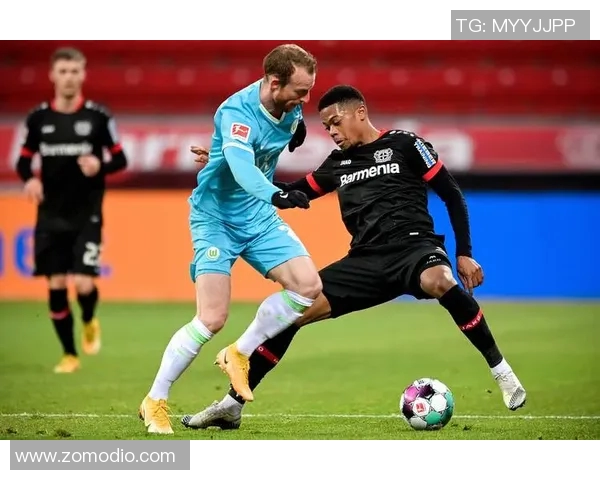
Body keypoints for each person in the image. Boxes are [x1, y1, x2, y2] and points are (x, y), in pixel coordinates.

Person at [181, 84, 527, 431]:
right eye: (326, 126)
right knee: (292, 314)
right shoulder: (337, 163)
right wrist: (232, 165)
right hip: (365, 260)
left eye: (335, 122)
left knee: (439, 280)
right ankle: (231, 406)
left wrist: (464, 253)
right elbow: (293, 191)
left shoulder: (405, 144)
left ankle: (502, 372)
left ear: (360, 112)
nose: (331, 132)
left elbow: (452, 195)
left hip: (414, 248)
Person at [138, 44, 323, 435]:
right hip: (216, 219)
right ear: (274, 83)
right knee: (212, 318)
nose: (306, 100)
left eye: (309, 91)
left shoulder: (291, 107)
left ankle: (239, 351)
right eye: (301, 91)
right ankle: (155, 400)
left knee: (308, 286)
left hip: (257, 217)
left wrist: (293, 128)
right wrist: (277, 194)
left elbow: (263, 143)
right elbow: (242, 169)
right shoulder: (237, 112)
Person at [16, 47, 128, 374]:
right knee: (55, 283)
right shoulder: (38, 119)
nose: (69, 77)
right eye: (63, 71)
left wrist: (99, 165)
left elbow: (120, 159)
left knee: (82, 284)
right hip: (50, 214)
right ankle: (69, 354)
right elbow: (23, 161)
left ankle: (89, 319)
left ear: (83, 74)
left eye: (75, 71)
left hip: (87, 213)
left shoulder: (98, 117)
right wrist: (29, 180)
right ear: (53, 75)